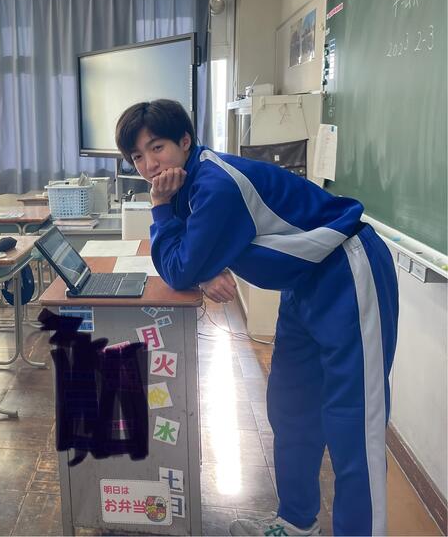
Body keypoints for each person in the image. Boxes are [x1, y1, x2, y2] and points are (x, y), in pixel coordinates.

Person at [114, 99, 397, 537]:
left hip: (347, 273)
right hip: (302, 285)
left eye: (157, 148)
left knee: (353, 423)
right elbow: (189, 259)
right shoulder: (189, 185)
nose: (150, 165)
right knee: (291, 408)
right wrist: (202, 269)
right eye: (137, 157)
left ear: (185, 141)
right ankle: (297, 522)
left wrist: (160, 208)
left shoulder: (215, 185)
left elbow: (179, 267)